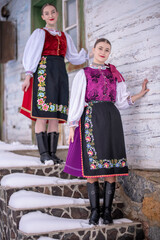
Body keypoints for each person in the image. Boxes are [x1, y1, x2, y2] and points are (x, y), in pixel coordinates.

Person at [64, 38, 149, 225]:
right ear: (93, 50)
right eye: (100, 48)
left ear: (109, 53)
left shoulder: (114, 74)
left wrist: (139, 94)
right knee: (92, 169)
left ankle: (107, 212)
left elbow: (121, 102)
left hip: (112, 119)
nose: (103, 52)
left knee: (111, 168)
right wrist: (72, 126)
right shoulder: (84, 73)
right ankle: (95, 212)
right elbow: (77, 100)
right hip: (91, 119)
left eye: (107, 50)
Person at [20, 3, 88, 165]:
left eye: (52, 12)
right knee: (42, 115)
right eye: (46, 13)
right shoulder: (39, 33)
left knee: (55, 116)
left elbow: (72, 57)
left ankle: (52, 154)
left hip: (60, 76)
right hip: (44, 73)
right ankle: (44, 154)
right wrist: (28, 75)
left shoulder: (65, 36)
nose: (50, 15)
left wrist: (87, 55)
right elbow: (33, 55)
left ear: (57, 14)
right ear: (42, 17)